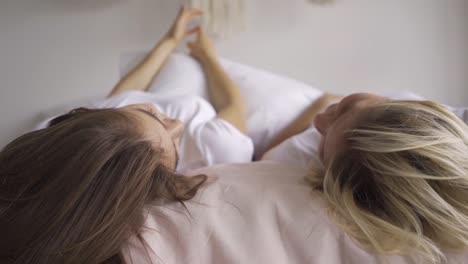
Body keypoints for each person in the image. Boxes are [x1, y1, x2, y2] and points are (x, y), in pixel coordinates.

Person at [0, 5, 253, 264]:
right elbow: (233, 106)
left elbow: (123, 95)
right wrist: (208, 56)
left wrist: (170, 41)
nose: (178, 124)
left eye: (155, 116)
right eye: (175, 146)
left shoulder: (104, 135)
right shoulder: (217, 146)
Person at [262, 92, 468, 263]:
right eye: (346, 107)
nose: (318, 120)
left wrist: (321, 103)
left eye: (322, 148)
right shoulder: (410, 106)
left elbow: (263, 161)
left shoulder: (292, 156)